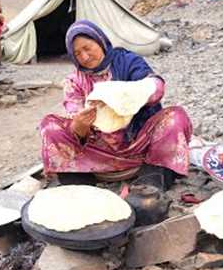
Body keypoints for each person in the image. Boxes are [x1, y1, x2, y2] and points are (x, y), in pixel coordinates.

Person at [39, 20, 193, 189]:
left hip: (139, 145)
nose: (84, 57)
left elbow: (156, 87)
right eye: (77, 54)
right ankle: (80, 182)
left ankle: (154, 175)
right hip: (98, 152)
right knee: (50, 126)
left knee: (176, 117)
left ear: (100, 42)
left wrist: (122, 94)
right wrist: (79, 125)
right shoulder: (74, 81)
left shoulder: (128, 62)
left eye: (87, 48)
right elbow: (75, 128)